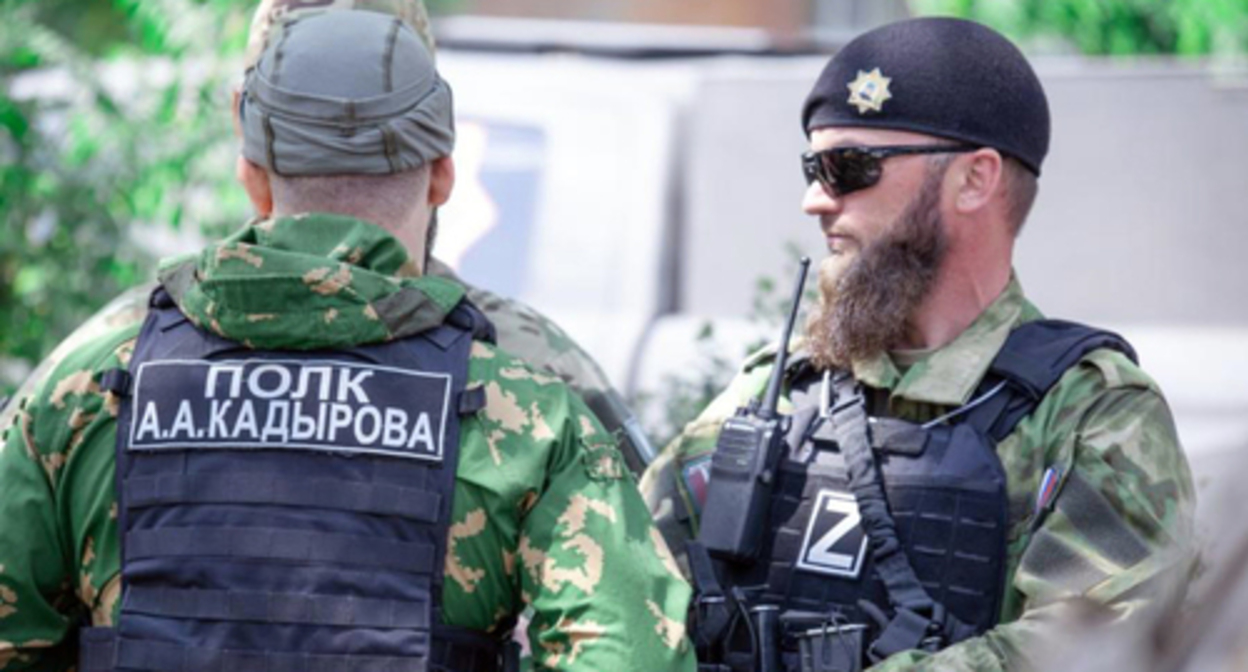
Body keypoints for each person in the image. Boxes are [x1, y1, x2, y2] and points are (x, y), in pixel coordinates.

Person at [0, 11, 694, 672]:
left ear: (253, 176)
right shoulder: (530, 419)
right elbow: (629, 652)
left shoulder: (85, 394)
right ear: (445, 173)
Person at [639, 17, 1195, 672]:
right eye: (812, 167)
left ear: (974, 180)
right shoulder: (778, 394)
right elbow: (626, 581)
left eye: (849, 166)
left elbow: (1093, 648)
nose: (814, 199)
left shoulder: (1088, 416)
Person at [0, 0, 656, 479]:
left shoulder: (101, 366)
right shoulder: (538, 370)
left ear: (247, 143)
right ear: (440, 159)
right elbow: (655, 609)